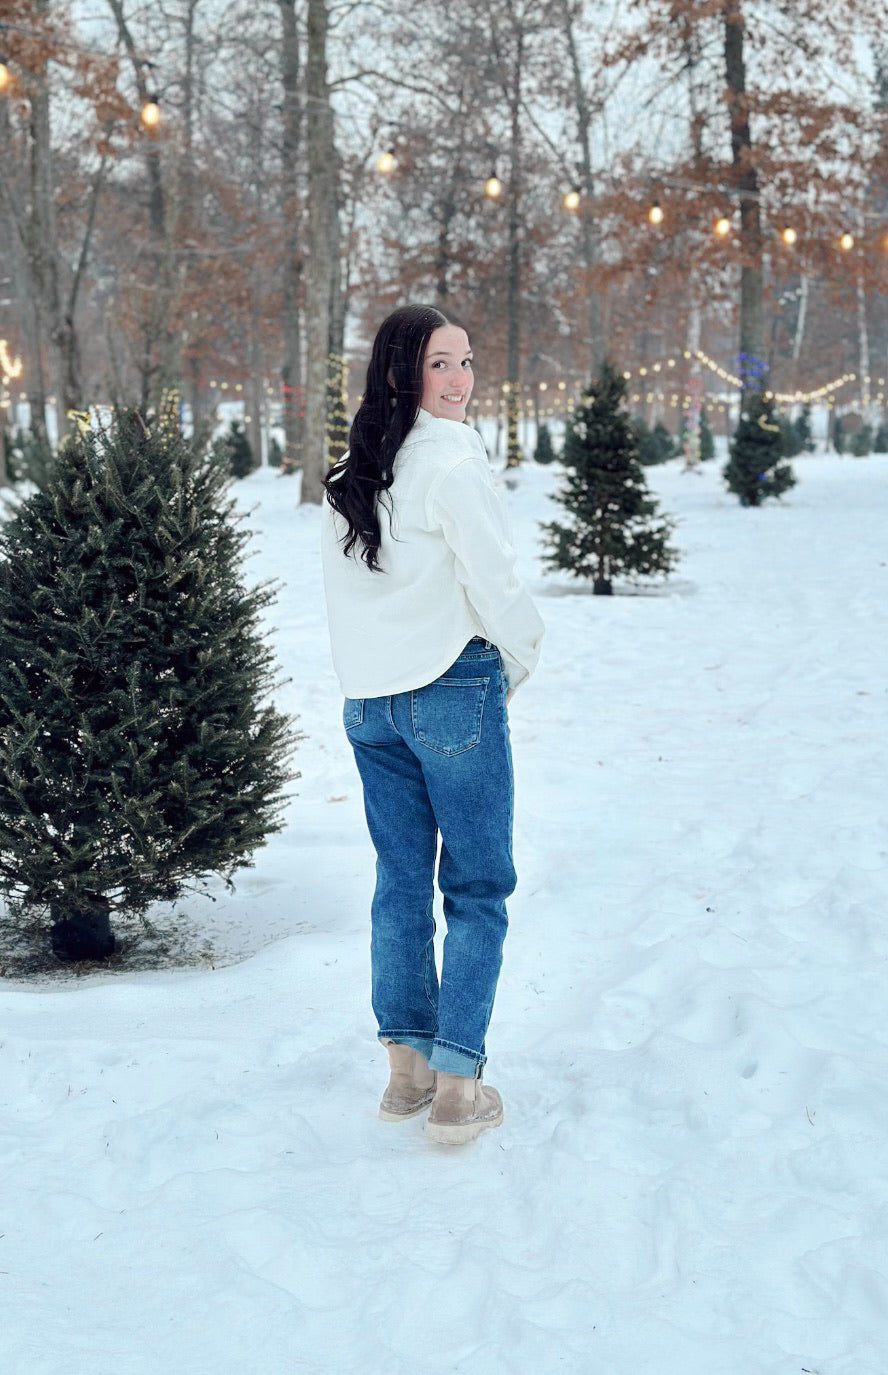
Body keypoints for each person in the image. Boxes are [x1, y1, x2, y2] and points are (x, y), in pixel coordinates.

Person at [320, 303, 544, 1145]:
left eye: (466, 360)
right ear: (400, 373)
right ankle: (454, 1087)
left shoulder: (357, 471)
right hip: (450, 688)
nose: (460, 379)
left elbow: (348, 596)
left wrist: (369, 687)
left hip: (371, 702)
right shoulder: (450, 464)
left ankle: (403, 1071)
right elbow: (497, 584)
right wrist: (518, 658)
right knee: (478, 887)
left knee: (402, 883)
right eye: (441, 363)